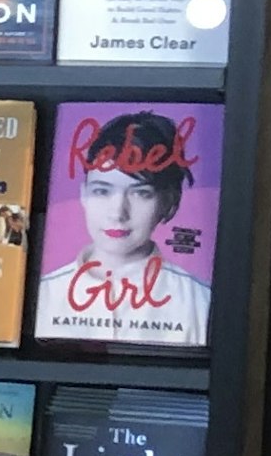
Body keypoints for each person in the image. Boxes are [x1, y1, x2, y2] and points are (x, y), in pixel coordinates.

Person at [45, 109, 211, 344]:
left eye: (141, 193)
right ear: (83, 195)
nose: (118, 213)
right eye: (102, 191)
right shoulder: (44, 295)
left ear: (169, 201)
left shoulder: (201, 303)